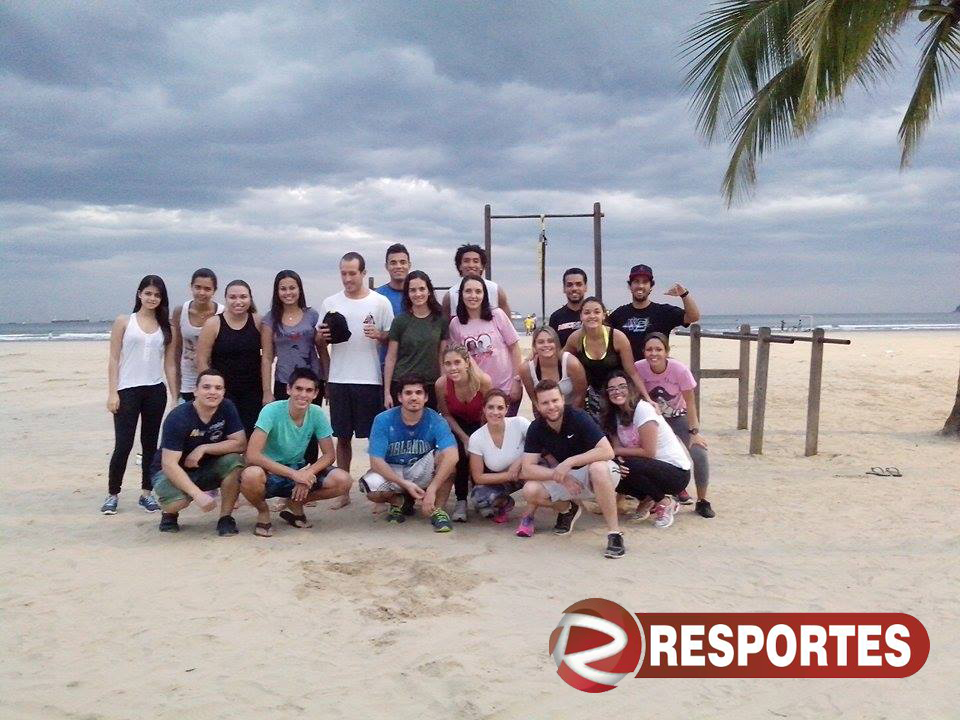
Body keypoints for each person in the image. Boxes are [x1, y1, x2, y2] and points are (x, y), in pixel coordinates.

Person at [318, 252, 394, 508]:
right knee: (342, 437)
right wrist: (326, 376)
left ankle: (378, 489)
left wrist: (379, 335)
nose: (348, 278)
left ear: (363, 273)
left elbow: (392, 338)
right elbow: (320, 342)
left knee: (375, 438)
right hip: (339, 378)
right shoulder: (330, 302)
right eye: (344, 273)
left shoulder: (380, 302)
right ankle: (344, 492)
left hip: (370, 378)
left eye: (353, 273)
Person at [238, 368, 352, 537]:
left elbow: (329, 455)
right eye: (298, 389)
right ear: (288, 389)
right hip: (269, 471)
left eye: (309, 390)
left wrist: (307, 473)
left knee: (343, 480)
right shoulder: (271, 410)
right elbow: (252, 454)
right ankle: (263, 511)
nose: (303, 395)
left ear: (316, 394)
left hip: (298, 467)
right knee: (250, 475)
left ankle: (295, 502)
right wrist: (295, 475)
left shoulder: (317, 413)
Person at [519, 379, 625, 558]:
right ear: (537, 405)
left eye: (555, 400)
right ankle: (568, 509)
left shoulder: (578, 416)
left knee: (598, 469)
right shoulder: (536, 428)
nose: (551, 406)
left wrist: (569, 462)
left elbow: (607, 451)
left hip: (598, 473)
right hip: (569, 478)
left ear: (562, 399)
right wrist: (560, 475)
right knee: (530, 490)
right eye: (545, 403)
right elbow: (527, 469)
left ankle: (614, 533)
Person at [102, 275, 178, 514]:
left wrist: (174, 396)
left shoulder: (167, 328)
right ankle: (113, 494)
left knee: (150, 444)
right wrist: (112, 393)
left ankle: (146, 493)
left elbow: (170, 364)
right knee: (123, 444)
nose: (152, 298)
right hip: (127, 390)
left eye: (157, 295)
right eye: (148, 293)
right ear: (139, 294)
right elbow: (114, 358)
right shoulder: (124, 321)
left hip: (155, 390)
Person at [151, 368, 247, 534]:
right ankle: (169, 513)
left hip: (206, 467)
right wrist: (197, 495)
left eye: (218, 388)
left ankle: (225, 518)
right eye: (206, 387)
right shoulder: (178, 417)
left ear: (223, 392)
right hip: (171, 471)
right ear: (195, 391)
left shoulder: (227, 407)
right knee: (178, 502)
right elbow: (169, 464)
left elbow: (240, 444)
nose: (212, 392)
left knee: (235, 461)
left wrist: (203, 448)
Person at [360, 375, 458, 532]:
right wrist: (404, 484)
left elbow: (453, 455)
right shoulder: (383, 419)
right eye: (408, 393)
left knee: (448, 463)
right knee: (370, 487)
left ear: (426, 397)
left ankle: (437, 509)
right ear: (400, 397)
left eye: (418, 393)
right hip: (393, 469)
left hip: (421, 468)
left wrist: (432, 489)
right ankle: (399, 502)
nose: (413, 397)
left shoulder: (436, 420)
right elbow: (376, 461)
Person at [636, 332, 715, 518]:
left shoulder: (679, 370)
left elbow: (691, 402)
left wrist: (694, 432)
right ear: (643, 352)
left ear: (667, 351)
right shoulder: (638, 368)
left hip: (678, 416)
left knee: (699, 452)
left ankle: (702, 500)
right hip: (652, 419)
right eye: (649, 349)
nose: (653, 353)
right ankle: (658, 494)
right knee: (651, 455)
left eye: (658, 349)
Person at [601, 369, 691, 529]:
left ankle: (665, 502)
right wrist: (616, 457)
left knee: (626, 464)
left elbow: (648, 452)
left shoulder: (643, 409)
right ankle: (648, 498)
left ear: (631, 388)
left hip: (675, 472)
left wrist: (615, 453)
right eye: (612, 389)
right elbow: (617, 448)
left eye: (622, 386)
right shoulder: (613, 416)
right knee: (612, 470)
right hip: (646, 467)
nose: (617, 391)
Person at [563, 296, 651, 420]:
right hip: (595, 395)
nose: (592, 316)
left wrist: (647, 398)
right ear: (581, 316)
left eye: (597, 312)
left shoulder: (618, 337)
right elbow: (561, 357)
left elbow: (632, 372)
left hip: (619, 392)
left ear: (603, 315)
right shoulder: (575, 338)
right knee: (598, 429)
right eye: (587, 312)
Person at [196, 279, 263, 437]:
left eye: (243, 297)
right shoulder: (213, 323)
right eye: (232, 297)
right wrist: (210, 389)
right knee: (222, 435)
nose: (238, 301)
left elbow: (268, 356)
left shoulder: (258, 321)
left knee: (250, 435)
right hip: (223, 392)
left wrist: (267, 391)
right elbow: (201, 360)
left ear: (250, 298)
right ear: (225, 299)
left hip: (253, 392)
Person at [447, 276, 522, 413]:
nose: (473, 296)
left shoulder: (497, 315)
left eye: (478, 291)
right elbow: (459, 360)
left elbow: (515, 348)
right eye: (468, 291)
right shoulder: (455, 324)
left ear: (484, 295)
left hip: (505, 389)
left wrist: (517, 381)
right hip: (478, 392)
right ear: (461, 294)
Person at [435, 345, 492, 522]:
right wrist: (465, 438)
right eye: (448, 364)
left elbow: (490, 411)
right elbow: (446, 415)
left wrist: (477, 440)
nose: (453, 368)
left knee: (479, 454)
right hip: (456, 424)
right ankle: (461, 500)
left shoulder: (483, 381)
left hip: (481, 423)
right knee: (458, 454)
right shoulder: (441, 385)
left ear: (467, 362)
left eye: (457, 362)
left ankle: (480, 496)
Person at [608, 264, 701, 360]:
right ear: (630, 286)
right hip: (627, 368)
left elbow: (693, 317)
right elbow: (602, 334)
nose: (640, 286)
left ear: (651, 286)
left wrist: (684, 294)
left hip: (656, 367)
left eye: (645, 282)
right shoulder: (619, 314)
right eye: (636, 282)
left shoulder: (664, 312)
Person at [383, 270, 447, 411]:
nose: (418, 294)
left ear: (429, 291)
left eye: (422, 289)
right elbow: (391, 357)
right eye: (412, 290)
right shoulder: (400, 321)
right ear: (407, 293)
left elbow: (442, 356)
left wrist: (443, 387)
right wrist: (387, 392)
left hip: (431, 385)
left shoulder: (440, 320)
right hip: (402, 384)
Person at [468, 389, 530, 524]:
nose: (495, 412)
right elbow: (478, 477)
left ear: (507, 409)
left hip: (530, 471)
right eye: (490, 407)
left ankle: (530, 515)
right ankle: (505, 503)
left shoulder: (520, 423)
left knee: (534, 484)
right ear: (483, 409)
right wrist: (511, 475)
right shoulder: (476, 438)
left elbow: (540, 444)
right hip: (505, 479)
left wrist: (519, 462)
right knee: (478, 497)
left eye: (500, 408)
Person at [171, 268, 223, 402]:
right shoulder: (180, 311)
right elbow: (177, 350)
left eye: (207, 289)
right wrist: (176, 383)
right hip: (188, 378)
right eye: (198, 287)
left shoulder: (222, 313)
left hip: (214, 379)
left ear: (214, 290)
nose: (202, 292)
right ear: (191, 287)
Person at [520, 325, 587, 411]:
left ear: (557, 343)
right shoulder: (527, 369)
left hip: (572, 411)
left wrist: (568, 416)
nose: (546, 345)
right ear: (534, 346)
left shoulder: (571, 363)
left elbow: (580, 396)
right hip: (546, 413)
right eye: (541, 342)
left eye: (550, 341)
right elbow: (535, 400)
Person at [441, 244, 512, 320]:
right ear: (460, 266)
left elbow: (507, 323)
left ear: (482, 266)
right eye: (466, 261)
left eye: (476, 261)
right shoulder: (450, 296)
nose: (471, 265)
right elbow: (446, 325)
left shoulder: (496, 290)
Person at [375, 243, 411, 364]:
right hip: (385, 363)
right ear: (387, 266)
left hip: (414, 364)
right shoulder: (378, 296)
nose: (398, 266)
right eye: (393, 263)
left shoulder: (419, 294)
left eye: (402, 262)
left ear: (409, 265)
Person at [548, 267, 588, 346]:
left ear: (585, 287)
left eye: (579, 284)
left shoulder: (595, 316)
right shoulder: (556, 317)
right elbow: (553, 347)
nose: (574, 288)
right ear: (564, 288)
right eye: (569, 285)